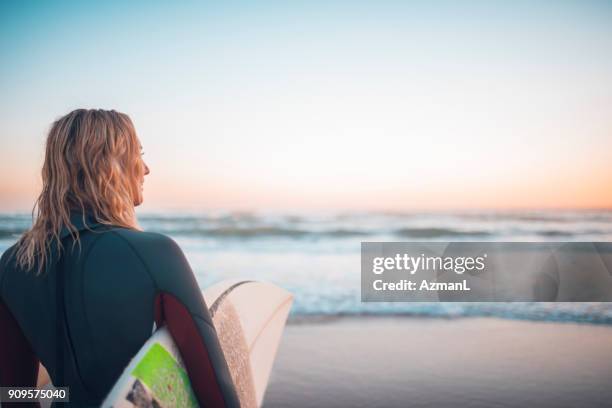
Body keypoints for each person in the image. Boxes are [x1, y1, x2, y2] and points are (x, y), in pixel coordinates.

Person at [0, 109, 240, 407]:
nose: (147, 168)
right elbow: (215, 389)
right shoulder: (154, 253)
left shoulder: (12, 264)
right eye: (138, 153)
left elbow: (14, 397)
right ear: (110, 164)